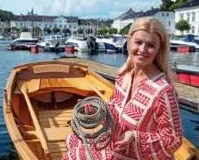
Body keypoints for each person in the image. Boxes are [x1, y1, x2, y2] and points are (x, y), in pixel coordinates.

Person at [63, 18, 182, 160]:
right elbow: (115, 112)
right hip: (115, 147)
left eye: (151, 45)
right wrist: (96, 111)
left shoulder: (163, 92)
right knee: (73, 142)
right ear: (129, 41)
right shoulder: (124, 76)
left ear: (159, 49)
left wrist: (135, 137)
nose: (143, 50)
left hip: (139, 157)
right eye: (138, 42)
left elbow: (173, 140)